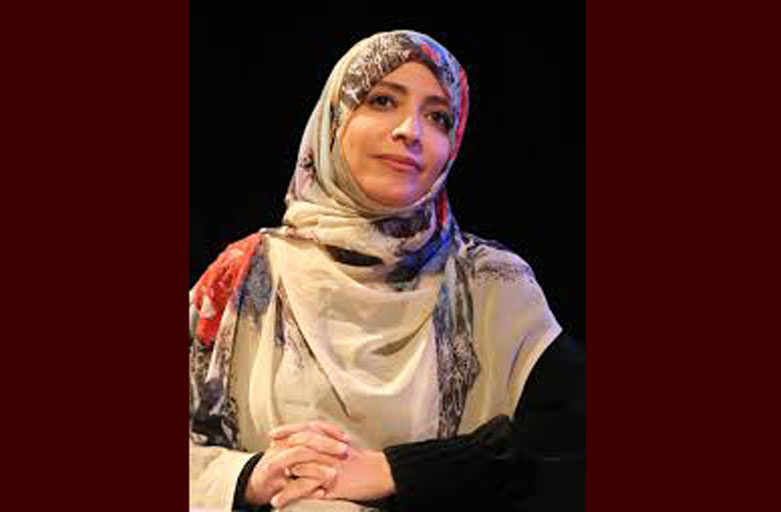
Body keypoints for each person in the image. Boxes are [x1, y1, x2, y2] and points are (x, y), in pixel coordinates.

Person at [189, 30, 585, 511]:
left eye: (438, 117)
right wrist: (250, 478)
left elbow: (569, 452)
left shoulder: (491, 283)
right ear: (334, 119)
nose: (410, 131)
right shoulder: (246, 275)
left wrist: (394, 471)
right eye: (382, 101)